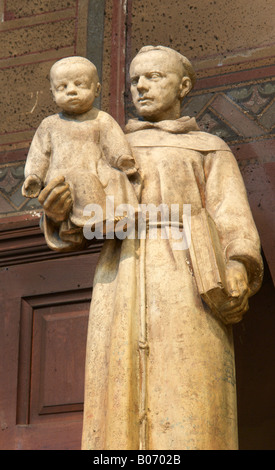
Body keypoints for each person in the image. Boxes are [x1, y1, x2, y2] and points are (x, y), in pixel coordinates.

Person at [36, 46, 263, 450]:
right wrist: (60, 215)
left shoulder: (208, 146)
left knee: (189, 382)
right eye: (134, 80)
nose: (140, 86)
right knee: (118, 392)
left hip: (189, 277)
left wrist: (238, 264)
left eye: (154, 77)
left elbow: (232, 216)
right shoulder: (108, 141)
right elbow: (87, 219)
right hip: (121, 273)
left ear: (184, 86)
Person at [22, 56, 139, 249]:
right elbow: (39, 153)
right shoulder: (50, 125)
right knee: (84, 180)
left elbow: (114, 143)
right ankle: (96, 220)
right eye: (62, 87)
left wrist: (122, 159)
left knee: (117, 179)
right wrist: (34, 176)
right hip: (66, 174)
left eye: (79, 84)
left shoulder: (102, 119)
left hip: (97, 168)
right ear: (52, 94)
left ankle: (124, 216)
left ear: (97, 89)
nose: (72, 91)